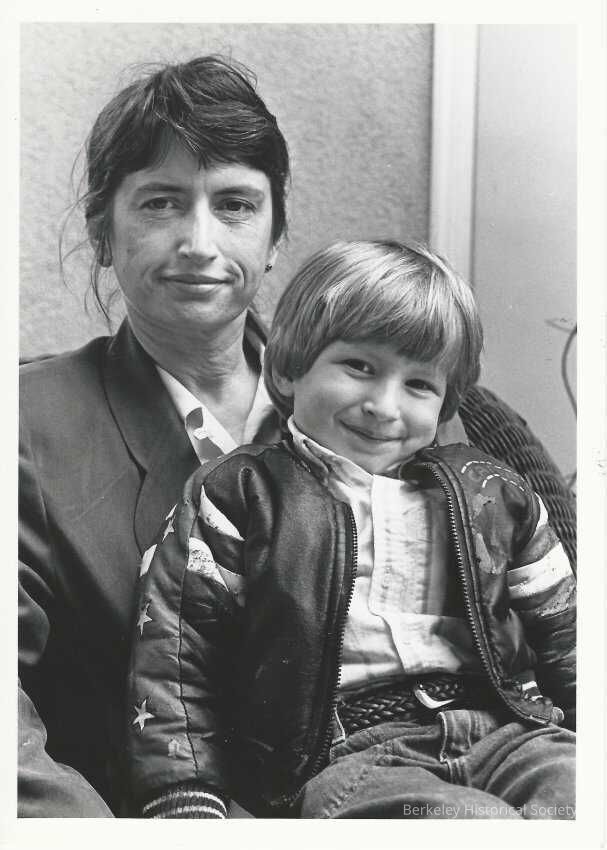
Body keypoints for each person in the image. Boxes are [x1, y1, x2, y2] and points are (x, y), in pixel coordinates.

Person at [126, 240, 576, 820]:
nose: (384, 406)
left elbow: (567, 631)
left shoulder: (493, 494)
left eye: (419, 385)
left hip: (510, 733)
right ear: (288, 370)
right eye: (360, 367)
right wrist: (184, 794)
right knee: (468, 824)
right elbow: (175, 653)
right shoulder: (240, 496)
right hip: (351, 755)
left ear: (444, 406)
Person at [18, 54, 289, 816]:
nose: (199, 241)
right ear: (102, 232)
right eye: (161, 203)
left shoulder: (380, 405)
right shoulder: (27, 423)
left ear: (275, 236)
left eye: (234, 204)